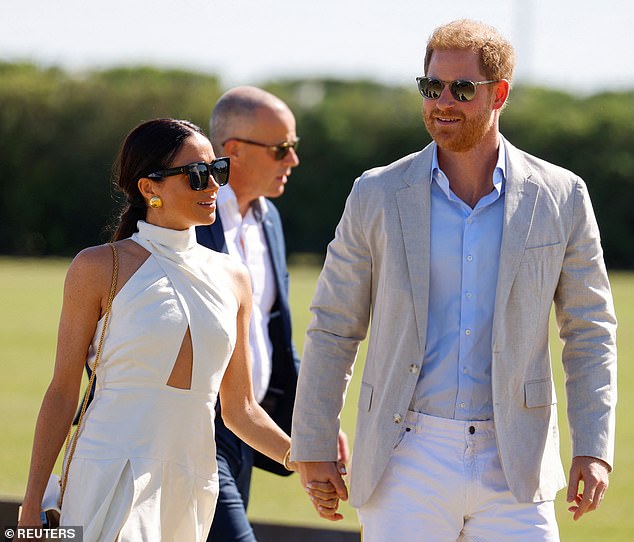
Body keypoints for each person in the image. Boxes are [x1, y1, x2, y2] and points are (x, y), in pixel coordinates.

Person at [291, 19, 617, 541]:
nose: (442, 101)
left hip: (517, 461)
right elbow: (333, 326)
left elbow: (590, 330)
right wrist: (312, 442)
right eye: (432, 87)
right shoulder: (375, 193)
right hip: (405, 455)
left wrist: (593, 446)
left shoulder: (563, 195)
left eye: (461, 89)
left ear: (499, 94)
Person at [18, 118, 300, 541]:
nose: (213, 187)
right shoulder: (97, 267)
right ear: (150, 189)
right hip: (108, 471)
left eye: (217, 171)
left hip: (192, 478)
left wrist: (305, 459)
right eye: (197, 175)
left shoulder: (234, 277)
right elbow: (62, 393)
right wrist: (31, 505)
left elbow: (240, 410)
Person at [196, 86, 349, 541]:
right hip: (195, 434)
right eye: (282, 148)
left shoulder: (269, 220)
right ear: (234, 151)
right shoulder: (189, 218)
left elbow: (278, 336)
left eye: (293, 147)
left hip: (250, 429)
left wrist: (315, 422)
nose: (293, 160)